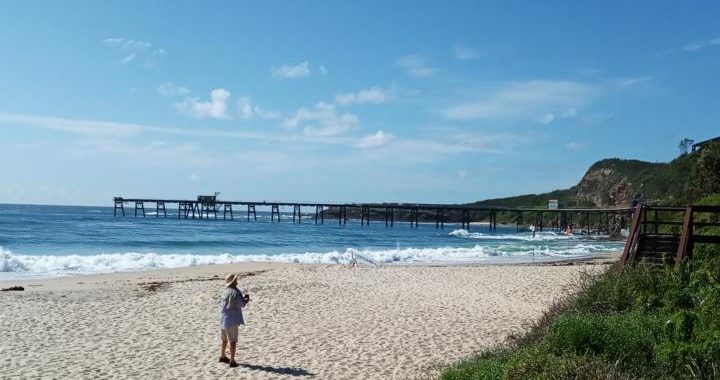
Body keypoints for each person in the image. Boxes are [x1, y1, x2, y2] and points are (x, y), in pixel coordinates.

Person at [219, 273, 250, 368]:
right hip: (232, 320)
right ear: (233, 282)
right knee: (233, 341)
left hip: (223, 319)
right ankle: (232, 361)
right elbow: (241, 304)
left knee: (224, 340)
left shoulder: (224, 291)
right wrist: (246, 300)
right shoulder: (236, 292)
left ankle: (222, 356)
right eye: (235, 279)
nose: (237, 280)